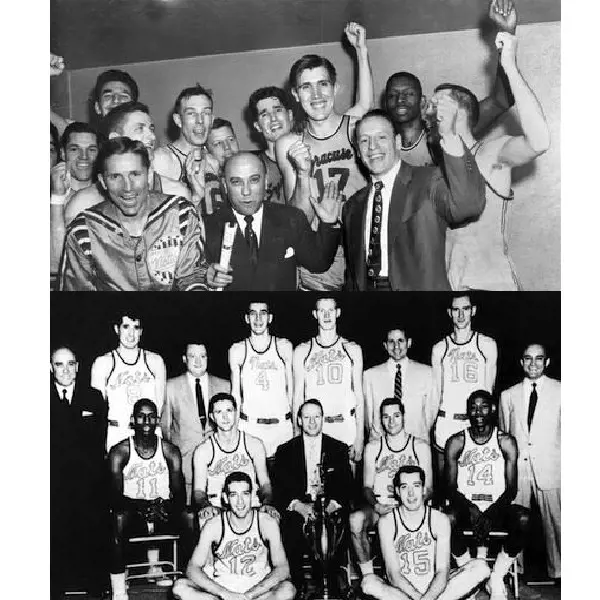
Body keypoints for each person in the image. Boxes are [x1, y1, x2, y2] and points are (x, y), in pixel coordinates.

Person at [443, 24, 551, 290]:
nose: (430, 112)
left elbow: (540, 141)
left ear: (463, 112)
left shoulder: (492, 152)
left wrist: (510, 68)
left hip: (492, 288)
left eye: (438, 104)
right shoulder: (439, 166)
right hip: (453, 290)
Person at [341, 108, 485, 291]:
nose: (372, 147)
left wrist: (452, 141)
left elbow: (468, 206)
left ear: (398, 142)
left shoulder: (429, 180)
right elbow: (353, 276)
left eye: (381, 137)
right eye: (364, 140)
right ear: (358, 151)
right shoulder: (352, 206)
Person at [276, 22, 373, 290]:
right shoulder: (288, 144)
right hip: (320, 250)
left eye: (323, 84)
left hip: (361, 243)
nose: (316, 95)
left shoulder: (355, 128)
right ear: (295, 94)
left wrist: (361, 51)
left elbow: (365, 105)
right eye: (306, 87)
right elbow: (298, 220)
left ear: (335, 88)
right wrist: (302, 174)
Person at [59, 137, 210, 291]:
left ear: (149, 174)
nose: (127, 187)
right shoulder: (84, 230)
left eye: (135, 174)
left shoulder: (180, 214)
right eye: (115, 177)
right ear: (103, 181)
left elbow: (193, 277)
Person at [385, 0, 517, 168]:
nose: (400, 99)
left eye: (408, 93)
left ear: (423, 101)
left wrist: (507, 33)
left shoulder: (449, 128)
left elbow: (501, 100)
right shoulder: (378, 142)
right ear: (385, 103)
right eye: (392, 95)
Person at [203, 152, 341, 291]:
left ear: (265, 181)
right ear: (225, 186)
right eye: (236, 182)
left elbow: (318, 263)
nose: (246, 191)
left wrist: (328, 223)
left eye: (254, 180)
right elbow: (193, 277)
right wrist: (206, 277)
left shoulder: (290, 218)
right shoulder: (208, 226)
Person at [446, 390, 530, 600]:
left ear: (492, 409)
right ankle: (468, 576)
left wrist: (490, 512)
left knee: (524, 518)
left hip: (498, 507)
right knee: (446, 519)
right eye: (473, 407)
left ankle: (496, 576)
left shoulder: (505, 441)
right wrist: (471, 508)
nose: (478, 412)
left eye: (483, 406)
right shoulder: (456, 441)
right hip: (466, 507)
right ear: (467, 412)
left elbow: (511, 489)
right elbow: (449, 487)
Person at [361, 465, 490, 600]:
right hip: (402, 593)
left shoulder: (439, 519)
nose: (411, 493)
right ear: (397, 491)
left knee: (481, 567)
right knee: (368, 583)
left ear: (423, 489)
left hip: (436, 591)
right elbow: (393, 575)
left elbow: (442, 572)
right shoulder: (387, 522)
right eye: (404, 487)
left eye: (416, 486)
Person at [108, 399, 194, 600]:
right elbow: (114, 497)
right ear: (132, 420)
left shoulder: (169, 450)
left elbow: (179, 493)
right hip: (134, 514)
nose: (146, 421)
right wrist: (140, 506)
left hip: (162, 511)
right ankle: (119, 592)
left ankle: (192, 581)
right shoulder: (120, 451)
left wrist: (163, 505)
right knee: (118, 518)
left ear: (157, 419)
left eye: (151, 416)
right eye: (141, 416)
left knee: (189, 516)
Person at [273, 399, 353, 597]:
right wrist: (298, 506)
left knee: (338, 523)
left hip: (329, 505)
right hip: (300, 505)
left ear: (323, 419)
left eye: (317, 417)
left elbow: (348, 485)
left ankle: (331, 580)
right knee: (290, 524)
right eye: (307, 417)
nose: (312, 422)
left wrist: (331, 506)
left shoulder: (338, 448)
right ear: (299, 420)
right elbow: (279, 488)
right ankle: (298, 584)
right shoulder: (285, 450)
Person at [173, 472, 295, 600]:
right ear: (225, 498)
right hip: (224, 592)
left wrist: (250, 594)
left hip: (258, 593)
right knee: (180, 587)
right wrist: (224, 593)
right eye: (234, 495)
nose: (240, 502)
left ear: (252, 496)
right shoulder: (214, 525)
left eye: (245, 494)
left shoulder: (266, 523)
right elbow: (193, 568)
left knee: (287, 589)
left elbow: (282, 568)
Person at [64, 102, 191, 225]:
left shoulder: (176, 193)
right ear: (115, 138)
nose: (152, 136)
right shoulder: (83, 203)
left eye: (151, 128)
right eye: (139, 129)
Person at [350, 398, 432, 579]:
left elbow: (429, 489)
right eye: (386, 417)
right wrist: (378, 506)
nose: (391, 421)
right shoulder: (373, 447)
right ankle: (369, 578)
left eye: (396, 416)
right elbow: (366, 487)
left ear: (403, 417)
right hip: (381, 507)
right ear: (381, 420)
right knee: (355, 520)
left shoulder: (420, 446)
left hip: (411, 506)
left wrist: (407, 507)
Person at [50, 346, 108, 598]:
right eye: (59, 364)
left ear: (78, 366)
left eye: (70, 364)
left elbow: (99, 443)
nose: (65, 370)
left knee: (91, 534)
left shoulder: (93, 397)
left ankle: (95, 587)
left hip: (87, 483)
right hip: (52, 483)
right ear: (50, 367)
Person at [499, 344, 560, 583]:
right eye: (527, 359)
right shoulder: (508, 394)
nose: (533, 363)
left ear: (547, 362)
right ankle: (516, 570)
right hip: (519, 469)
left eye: (538, 359)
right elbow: (505, 433)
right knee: (516, 520)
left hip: (551, 467)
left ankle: (561, 571)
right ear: (521, 362)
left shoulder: (562, 390)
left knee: (557, 522)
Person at [429, 294, 497, 501]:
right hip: (446, 421)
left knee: (472, 484)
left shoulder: (486, 344)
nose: (460, 315)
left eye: (465, 309)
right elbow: (435, 392)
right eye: (455, 310)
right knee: (446, 489)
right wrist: (430, 424)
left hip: (473, 422)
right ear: (449, 313)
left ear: (473, 310)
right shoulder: (440, 348)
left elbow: (488, 391)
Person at [292, 297, 364, 463]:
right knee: (316, 481)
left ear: (337, 313)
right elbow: (297, 397)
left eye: (330, 310)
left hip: (345, 425)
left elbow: (359, 397)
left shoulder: (352, 349)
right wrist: (297, 434)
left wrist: (359, 438)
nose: (326, 315)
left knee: (345, 483)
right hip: (315, 426)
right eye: (322, 311)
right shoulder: (302, 351)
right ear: (315, 314)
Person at [161, 342, 231, 503]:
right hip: (186, 466)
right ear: (184, 359)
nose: (198, 361)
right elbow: (166, 428)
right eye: (192, 356)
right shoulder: (171, 387)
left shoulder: (225, 386)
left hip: (218, 465)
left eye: (202, 356)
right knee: (188, 517)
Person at [192, 393, 278, 523]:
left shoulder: (254, 444)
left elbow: (265, 483)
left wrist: (266, 503)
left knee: (271, 517)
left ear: (236, 413)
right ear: (212, 417)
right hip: (217, 510)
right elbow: (198, 491)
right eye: (219, 412)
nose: (225, 417)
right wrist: (206, 506)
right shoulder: (203, 450)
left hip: (250, 506)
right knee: (205, 518)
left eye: (229, 411)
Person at [229, 302, 293, 471]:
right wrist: (234, 430)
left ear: (270, 318)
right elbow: (235, 394)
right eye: (253, 314)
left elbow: (292, 391)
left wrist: (296, 426)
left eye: (263, 313)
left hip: (281, 429)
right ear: (246, 318)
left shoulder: (284, 346)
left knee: (284, 485)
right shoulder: (238, 349)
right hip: (251, 427)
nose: (258, 319)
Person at [91, 311, 166, 450]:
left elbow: (160, 405)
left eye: (136, 327)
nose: (131, 334)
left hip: (149, 433)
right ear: (116, 329)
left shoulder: (155, 361)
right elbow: (96, 410)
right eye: (126, 327)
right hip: (118, 433)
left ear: (141, 331)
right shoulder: (103, 363)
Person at [364, 327, 433, 442]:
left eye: (400, 341)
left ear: (409, 343)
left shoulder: (426, 373)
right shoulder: (370, 375)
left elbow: (431, 412)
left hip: (416, 441)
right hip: (381, 443)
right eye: (391, 342)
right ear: (385, 345)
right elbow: (368, 419)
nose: (396, 346)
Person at [50, 122, 100, 275]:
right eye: (74, 149)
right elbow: (55, 265)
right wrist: (57, 198)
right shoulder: (50, 198)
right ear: (63, 154)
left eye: (91, 149)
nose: (83, 157)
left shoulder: (110, 194)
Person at [154, 84, 218, 202]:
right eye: (191, 113)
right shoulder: (161, 159)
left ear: (212, 120)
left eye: (206, 113)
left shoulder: (213, 161)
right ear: (178, 120)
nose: (200, 120)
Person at [51, 53, 139, 135]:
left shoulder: (147, 140)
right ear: (97, 108)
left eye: (123, 96)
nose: (116, 100)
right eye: (108, 96)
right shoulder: (87, 140)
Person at [248, 86, 295, 204]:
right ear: (257, 126)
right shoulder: (253, 168)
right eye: (264, 114)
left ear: (289, 115)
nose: (273, 118)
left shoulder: (312, 154)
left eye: (278, 110)